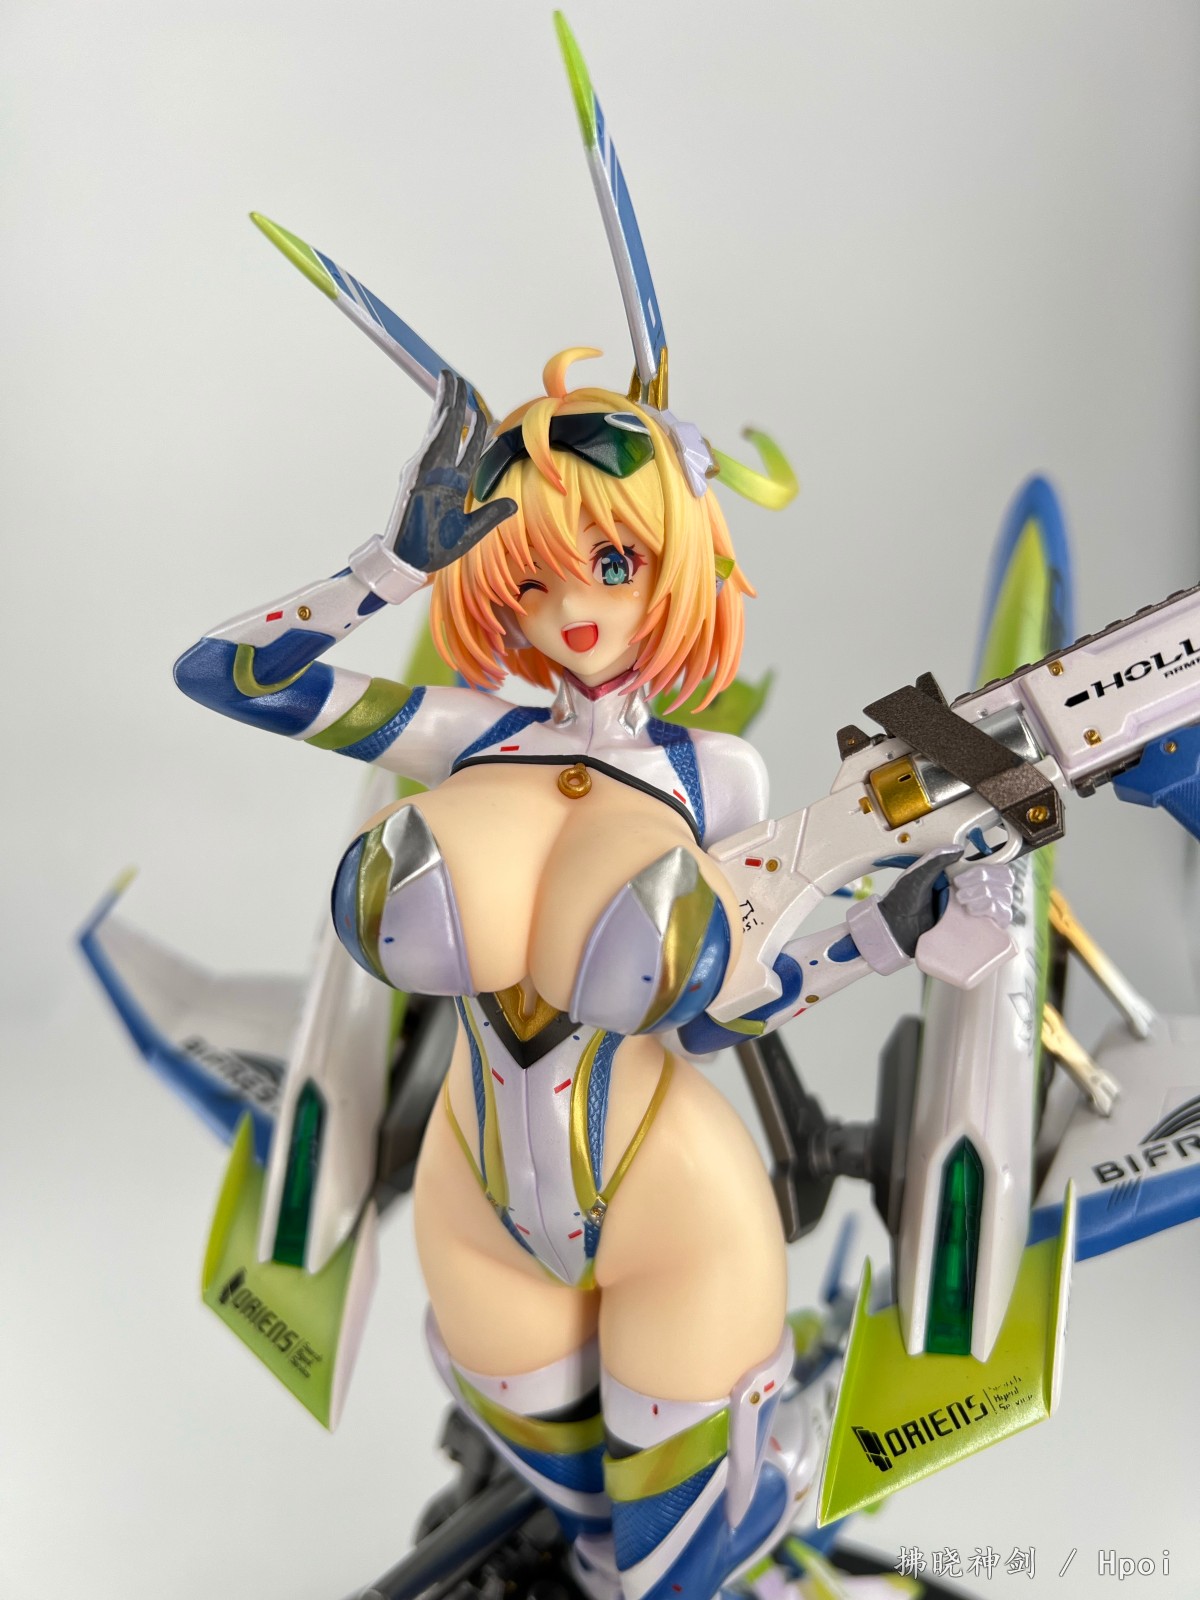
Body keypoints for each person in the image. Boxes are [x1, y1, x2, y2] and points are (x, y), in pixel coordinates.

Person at [175, 350, 1008, 1600]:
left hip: (676, 1213)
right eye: (533, 572)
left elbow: (727, 1011)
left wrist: (883, 935)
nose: (572, 604)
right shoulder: (463, 737)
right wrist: (390, 564)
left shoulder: (713, 778)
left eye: (613, 561)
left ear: (672, 558)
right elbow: (227, 677)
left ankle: (785, 1473)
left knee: (665, 1575)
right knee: (576, 1549)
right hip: (476, 1216)